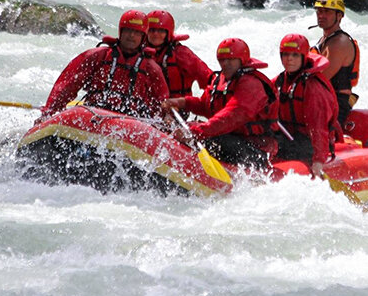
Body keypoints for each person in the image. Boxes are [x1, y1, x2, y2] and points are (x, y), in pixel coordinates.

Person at [163, 38, 279, 169]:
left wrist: (195, 132)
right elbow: (205, 105)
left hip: (257, 150)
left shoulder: (252, 84)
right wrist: (182, 102)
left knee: (210, 139)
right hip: (233, 139)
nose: (226, 64)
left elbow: (232, 116)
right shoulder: (221, 80)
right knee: (184, 128)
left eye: (231, 59)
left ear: (241, 59)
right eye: (222, 60)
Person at [40, 10, 169, 120]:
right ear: (120, 32)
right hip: (94, 113)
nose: (131, 36)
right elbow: (68, 84)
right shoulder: (98, 56)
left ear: (143, 37)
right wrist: (49, 112)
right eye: (128, 31)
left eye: (136, 33)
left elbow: (161, 104)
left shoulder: (151, 68)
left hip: (131, 120)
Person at [273, 33, 340, 177]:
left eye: (295, 55)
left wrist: (318, 161)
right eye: (285, 54)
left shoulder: (313, 87)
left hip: (308, 144)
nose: (289, 59)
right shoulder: (280, 80)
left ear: (304, 57)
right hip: (289, 137)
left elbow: (318, 126)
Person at [310, 0, 360, 127]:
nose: (321, 15)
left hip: (335, 104)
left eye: (327, 12)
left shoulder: (340, 43)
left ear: (339, 16)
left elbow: (320, 79)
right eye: (319, 11)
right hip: (321, 101)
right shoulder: (324, 40)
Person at [145, 10, 212, 99]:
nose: (155, 34)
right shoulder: (139, 52)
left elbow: (208, 78)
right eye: (152, 30)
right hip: (148, 108)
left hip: (177, 107)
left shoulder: (181, 53)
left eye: (161, 31)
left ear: (168, 33)